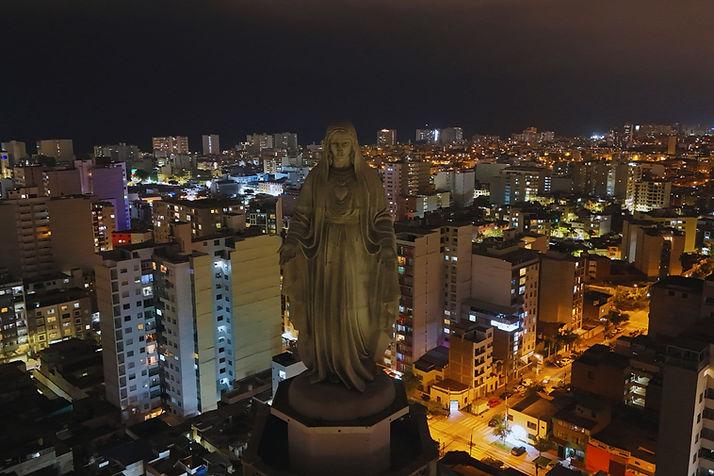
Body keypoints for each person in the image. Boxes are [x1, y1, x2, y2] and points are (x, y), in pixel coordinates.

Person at [280, 121, 399, 392]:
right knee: (327, 308)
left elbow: (381, 217)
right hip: (323, 253)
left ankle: (357, 361)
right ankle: (327, 364)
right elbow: (302, 216)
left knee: (357, 310)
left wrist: (388, 245)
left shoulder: (367, 179)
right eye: (335, 144)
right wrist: (293, 241)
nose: (340, 149)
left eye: (345, 143)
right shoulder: (316, 178)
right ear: (327, 148)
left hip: (358, 254)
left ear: (354, 146)